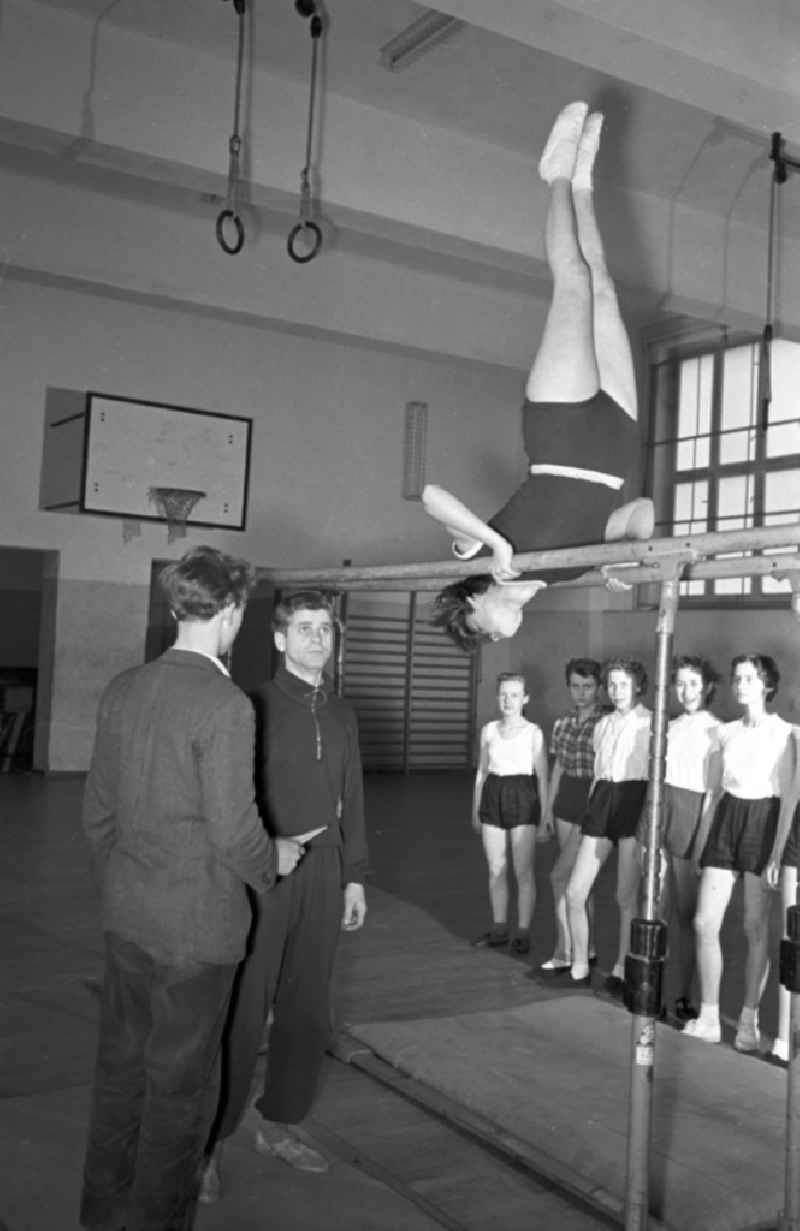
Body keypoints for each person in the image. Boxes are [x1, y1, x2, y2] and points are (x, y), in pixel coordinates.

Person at [79, 545, 303, 1231]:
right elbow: (237, 835)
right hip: (197, 936)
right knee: (181, 1090)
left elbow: (98, 815)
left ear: (176, 607)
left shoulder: (123, 687)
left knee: (120, 1071)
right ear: (231, 613)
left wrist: (131, 882)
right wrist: (277, 861)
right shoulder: (226, 704)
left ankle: (101, 1209)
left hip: (128, 918)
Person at [424, 100, 654, 652]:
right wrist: (623, 555)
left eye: (486, 636)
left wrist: (496, 547)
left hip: (563, 433)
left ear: (475, 604)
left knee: (572, 281)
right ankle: (581, 183)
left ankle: (553, 173)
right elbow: (640, 512)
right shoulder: (568, 572)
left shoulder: (482, 554)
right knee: (602, 287)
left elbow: (432, 496)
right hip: (615, 442)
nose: (500, 640)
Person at [202, 589, 368, 1197]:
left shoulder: (345, 714)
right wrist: (265, 850)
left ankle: (281, 1123)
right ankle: (209, 1141)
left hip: (324, 873)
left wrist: (354, 874)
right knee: (245, 1007)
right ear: (278, 639)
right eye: (304, 628)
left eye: (325, 628)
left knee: (306, 1007)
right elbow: (231, 801)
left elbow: (353, 796)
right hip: (267, 871)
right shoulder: (253, 707)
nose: (317, 639)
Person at [684, 654, 795, 1052]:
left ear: (767, 684)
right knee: (703, 922)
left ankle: (749, 1020)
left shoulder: (785, 734)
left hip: (763, 822)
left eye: (750, 678)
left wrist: (776, 855)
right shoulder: (725, 733)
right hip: (727, 820)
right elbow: (713, 795)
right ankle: (710, 1016)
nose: (741, 685)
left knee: (753, 927)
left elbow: (786, 803)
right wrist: (701, 842)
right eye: (737, 679)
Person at [643, 656, 722, 1023]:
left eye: (693, 683)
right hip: (663, 811)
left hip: (693, 819)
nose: (686, 691)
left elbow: (712, 792)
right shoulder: (668, 726)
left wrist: (703, 839)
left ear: (706, 687)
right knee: (653, 910)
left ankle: (681, 995)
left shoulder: (717, 730)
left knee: (686, 915)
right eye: (680, 684)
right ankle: (651, 990)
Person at [566, 657, 651, 995]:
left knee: (625, 895)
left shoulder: (652, 723)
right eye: (612, 684)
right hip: (602, 801)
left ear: (638, 686)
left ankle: (621, 966)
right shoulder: (601, 725)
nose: (617, 691)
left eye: (624, 684)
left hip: (634, 801)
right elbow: (599, 775)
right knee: (575, 892)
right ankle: (580, 960)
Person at [472, 672, 550, 955]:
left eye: (514, 694)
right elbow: (481, 771)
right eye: (503, 694)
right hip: (493, 795)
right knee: (496, 868)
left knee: (523, 871)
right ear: (497, 697)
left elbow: (542, 777)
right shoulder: (489, 730)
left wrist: (545, 817)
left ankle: (523, 930)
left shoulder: (534, 732)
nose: (508, 700)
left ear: (525, 699)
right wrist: (475, 808)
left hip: (523, 798)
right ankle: (500, 926)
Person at [539, 658, 605, 974]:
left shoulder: (605, 723)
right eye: (576, 687)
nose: (581, 693)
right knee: (581, 884)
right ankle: (586, 947)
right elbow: (559, 768)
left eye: (588, 687)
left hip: (590, 806)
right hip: (565, 803)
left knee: (561, 877)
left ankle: (564, 951)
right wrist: (548, 812)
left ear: (598, 687)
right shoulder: (562, 722)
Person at [770, 731, 800, 1063]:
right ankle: (784, 1035)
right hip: (797, 841)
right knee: (790, 939)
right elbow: (792, 795)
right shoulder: (796, 737)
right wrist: (777, 854)